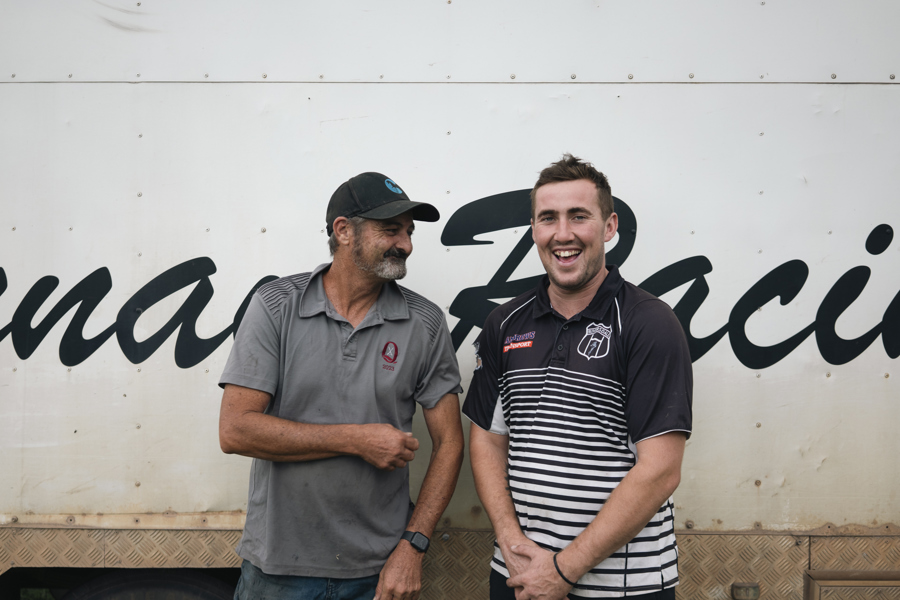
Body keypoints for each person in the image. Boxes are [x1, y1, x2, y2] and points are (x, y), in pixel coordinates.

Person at [218, 172, 465, 600]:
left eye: (409, 232)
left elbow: (450, 444)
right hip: (278, 570)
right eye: (391, 229)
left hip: (378, 572)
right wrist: (356, 440)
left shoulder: (425, 322)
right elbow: (235, 430)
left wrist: (413, 545)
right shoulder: (277, 306)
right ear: (344, 230)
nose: (406, 244)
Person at [463, 155, 692, 600]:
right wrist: (511, 543)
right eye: (548, 218)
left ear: (609, 226)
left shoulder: (649, 322)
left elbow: (661, 470)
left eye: (579, 216)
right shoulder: (504, 323)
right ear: (533, 229)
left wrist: (563, 570)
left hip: (624, 585)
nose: (563, 234)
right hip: (519, 573)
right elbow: (487, 441)